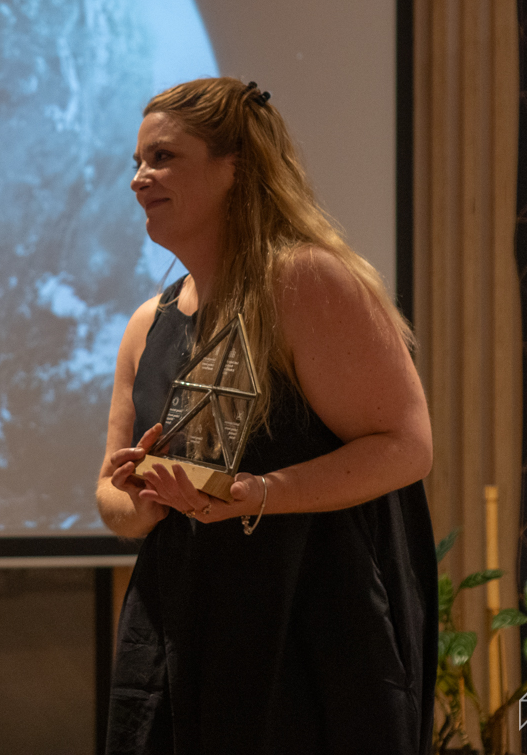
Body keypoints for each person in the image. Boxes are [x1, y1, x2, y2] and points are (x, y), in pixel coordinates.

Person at [97, 78, 438, 755]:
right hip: (177, 628)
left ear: (235, 167)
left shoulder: (308, 281)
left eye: (163, 158)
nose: (139, 179)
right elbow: (112, 496)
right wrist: (144, 498)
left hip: (309, 629)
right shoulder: (146, 323)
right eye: (136, 162)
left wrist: (256, 494)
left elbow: (405, 446)